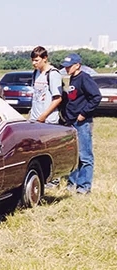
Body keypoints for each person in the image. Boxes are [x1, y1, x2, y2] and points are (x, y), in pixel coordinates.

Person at [61, 53, 101, 195]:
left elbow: (96, 97)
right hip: (72, 122)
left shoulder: (85, 78)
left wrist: (84, 113)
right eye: (65, 67)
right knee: (74, 154)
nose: (66, 69)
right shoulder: (73, 78)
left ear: (77, 65)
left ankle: (84, 187)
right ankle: (73, 183)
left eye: (69, 66)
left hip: (82, 123)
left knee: (85, 156)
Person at [30, 46, 63, 124]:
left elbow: (58, 99)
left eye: (36, 60)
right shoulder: (35, 73)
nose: (33, 63)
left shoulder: (53, 74)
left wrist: (43, 116)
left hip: (48, 120)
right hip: (34, 119)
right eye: (32, 60)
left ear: (45, 58)